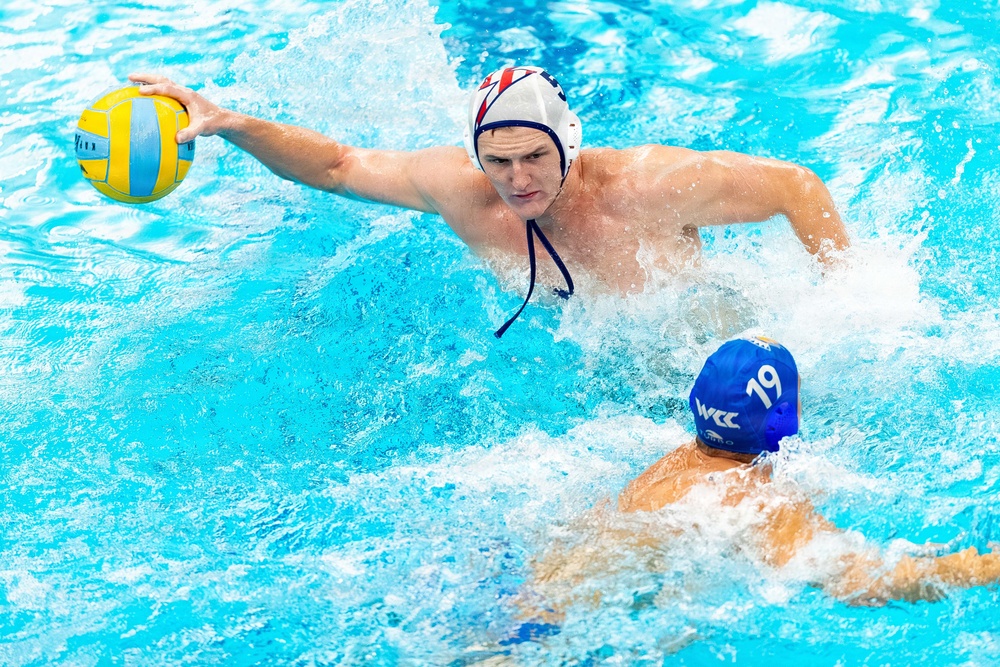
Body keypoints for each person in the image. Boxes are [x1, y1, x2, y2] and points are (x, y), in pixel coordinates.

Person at [130, 66, 850, 336]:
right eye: (498, 161)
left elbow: (797, 186)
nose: (518, 179)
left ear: (568, 146)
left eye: (535, 157)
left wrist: (851, 299)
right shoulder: (466, 194)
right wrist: (232, 124)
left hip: (725, 348)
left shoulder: (647, 184)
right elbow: (338, 165)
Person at [524, 336, 1000, 622]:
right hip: (568, 632)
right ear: (783, 419)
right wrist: (984, 568)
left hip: (537, 597)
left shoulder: (674, 463)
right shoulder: (748, 498)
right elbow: (861, 583)